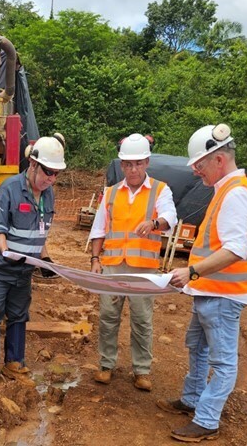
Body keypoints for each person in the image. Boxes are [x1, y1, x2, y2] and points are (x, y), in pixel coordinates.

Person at [159, 124, 247, 443]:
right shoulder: (224, 191)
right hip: (209, 292)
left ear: (218, 159)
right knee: (197, 347)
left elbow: (234, 249)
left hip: (222, 295)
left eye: (199, 165)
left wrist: (192, 272)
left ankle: (207, 419)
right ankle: (192, 399)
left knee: (223, 361)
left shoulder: (236, 194)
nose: (196, 172)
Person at [0, 135, 66, 388]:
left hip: (23, 268)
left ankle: (14, 362)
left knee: (18, 314)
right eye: (48, 172)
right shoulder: (9, 189)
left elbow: (39, 232)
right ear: (32, 164)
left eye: (56, 174)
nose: (51, 179)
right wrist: (5, 252)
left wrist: (46, 260)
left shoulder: (49, 195)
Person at [88, 133, 177, 391]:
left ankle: (141, 370)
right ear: (122, 165)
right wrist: (95, 259)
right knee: (107, 316)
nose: (133, 168)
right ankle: (106, 365)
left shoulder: (160, 190)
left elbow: (170, 216)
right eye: (128, 164)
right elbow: (99, 228)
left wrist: (154, 223)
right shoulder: (111, 193)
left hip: (143, 269)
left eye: (138, 163)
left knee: (141, 319)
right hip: (113, 265)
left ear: (147, 162)